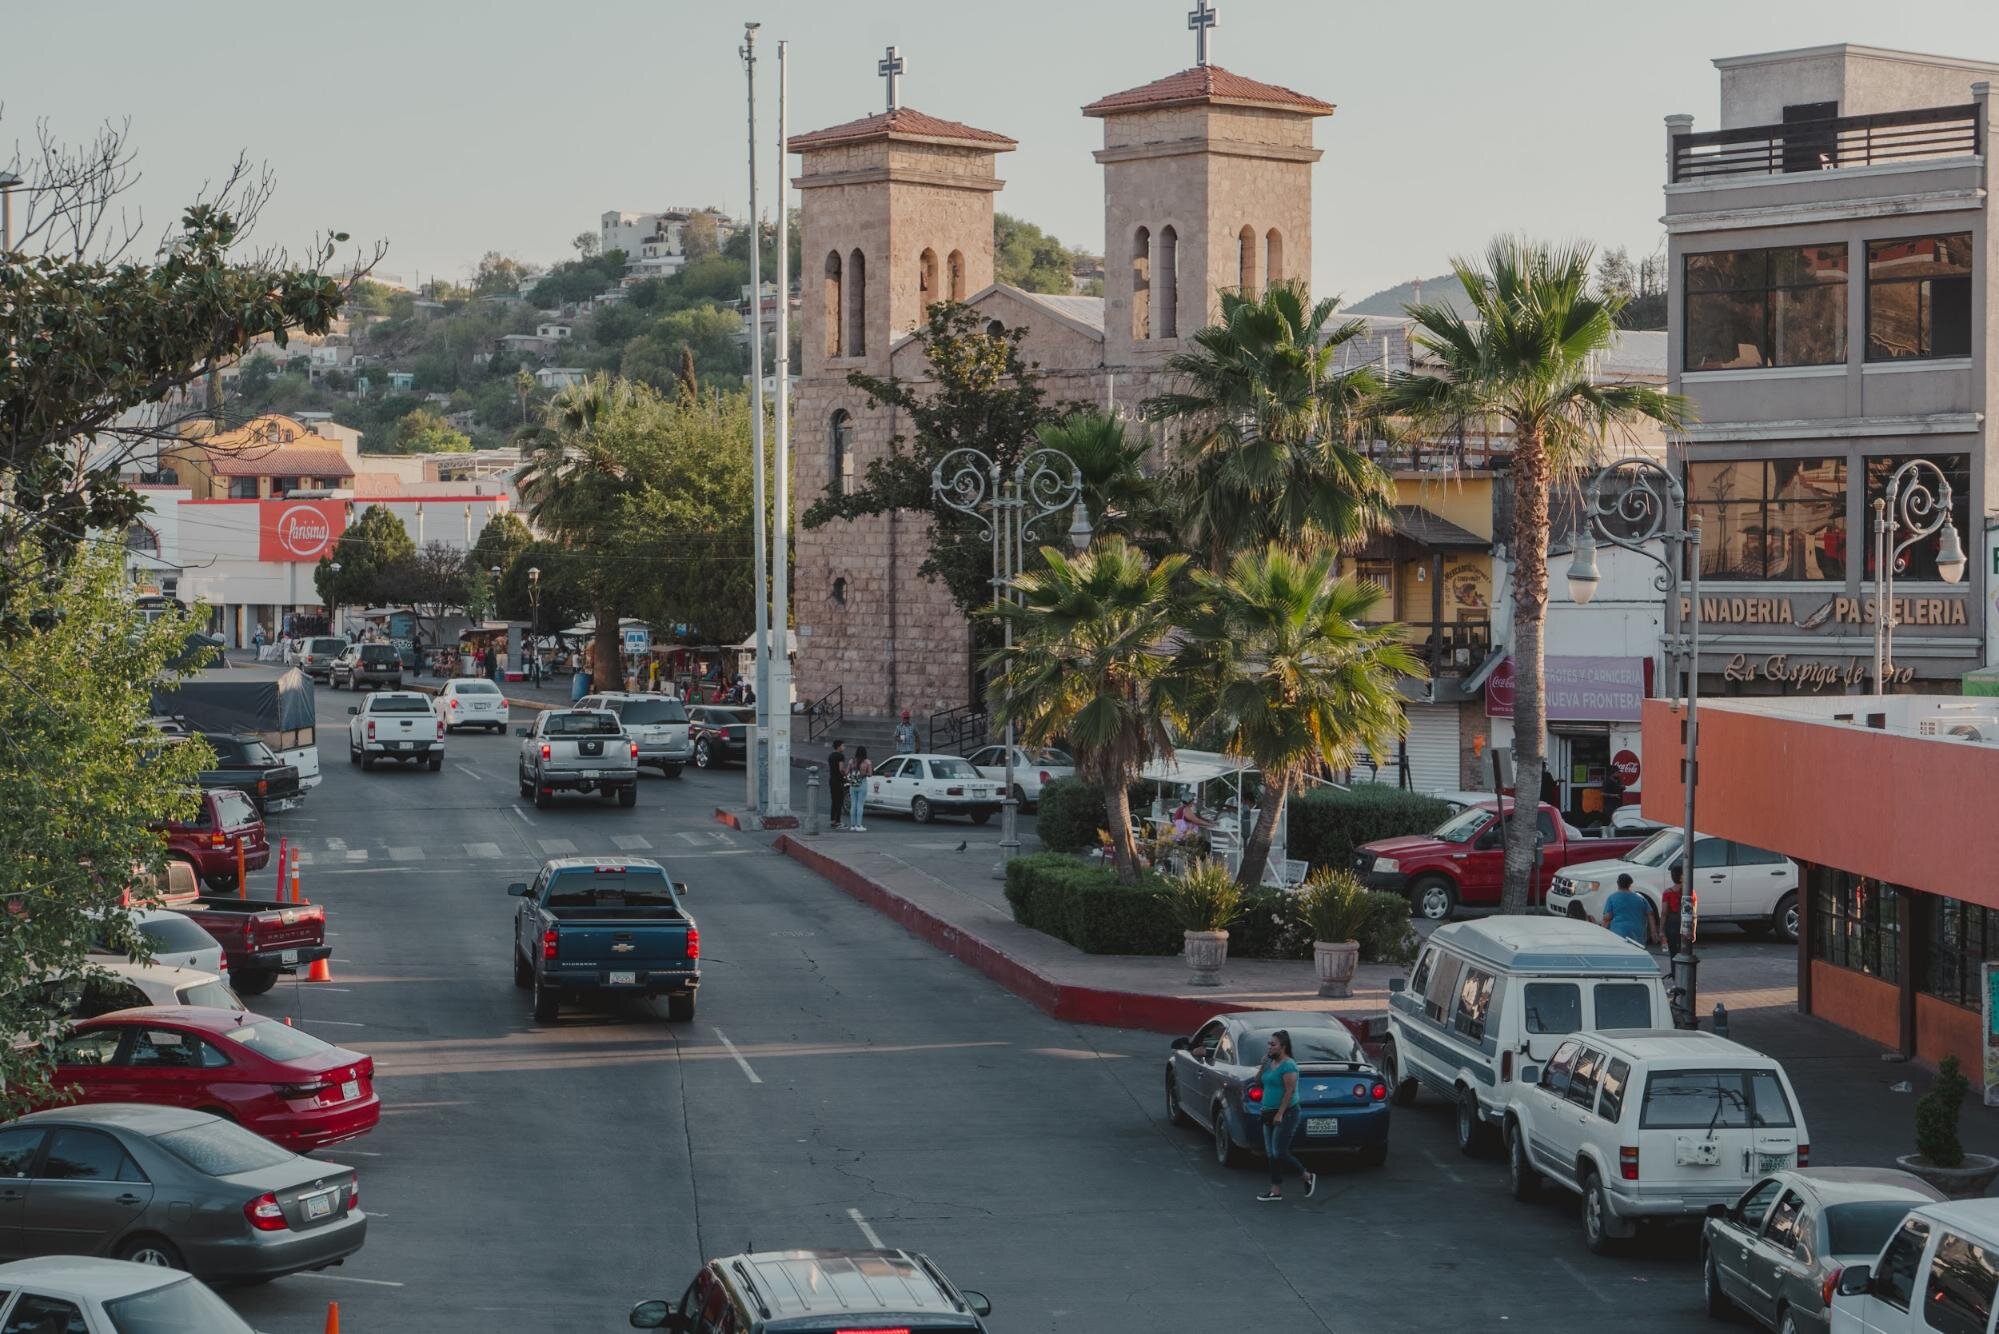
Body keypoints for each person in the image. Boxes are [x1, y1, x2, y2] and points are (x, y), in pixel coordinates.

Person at [1253, 1030, 1315, 1202]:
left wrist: (1280, 1113)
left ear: (1283, 1047)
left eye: (1273, 1044)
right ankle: (1275, 1191)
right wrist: (1262, 1066)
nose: (1269, 1047)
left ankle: (1306, 1175)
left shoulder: (1289, 1065)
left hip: (1287, 1113)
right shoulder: (1269, 1062)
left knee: (1279, 1152)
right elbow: (1258, 1081)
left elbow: (1290, 1091)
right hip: (1268, 1111)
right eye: (1269, 1044)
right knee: (1271, 1153)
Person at [1600, 872, 1652, 948]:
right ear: (1630, 884)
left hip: (1619, 934)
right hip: (1638, 934)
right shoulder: (1641, 898)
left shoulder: (1612, 898)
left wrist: (1601, 933)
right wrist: (1653, 932)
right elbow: (1650, 914)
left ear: (1618, 883)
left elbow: (1607, 918)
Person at [1661, 861, 1689, 959]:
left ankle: (1674, 972)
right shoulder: (1689, 891)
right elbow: (1692, 911)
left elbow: (1664, 912)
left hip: (1672, 922)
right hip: (1685, 921)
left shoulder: (1667, 892)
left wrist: (1661, 930)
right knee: (1685, 950)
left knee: (1673, 951)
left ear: (1673, 877)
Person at [847, 746, 873, 832]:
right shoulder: (867, 762)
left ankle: (852, 825)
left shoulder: (851, 761)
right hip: (862, 784)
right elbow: (870, 774)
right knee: (860, 805)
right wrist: (863, 773)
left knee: (853, 804)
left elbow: (847, 772)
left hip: (853, 784)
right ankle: (859, 825)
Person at [827, 740, 850, 832]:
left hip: (832, 780)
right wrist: (846, 776)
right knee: (839, 801)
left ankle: (833, 821)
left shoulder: (831, 755)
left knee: (834, 801)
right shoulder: (840, 756)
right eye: (843, 746)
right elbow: (841, 769)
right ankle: (838, 822)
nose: (844, 747)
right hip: (838, 781)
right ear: (838, 747)